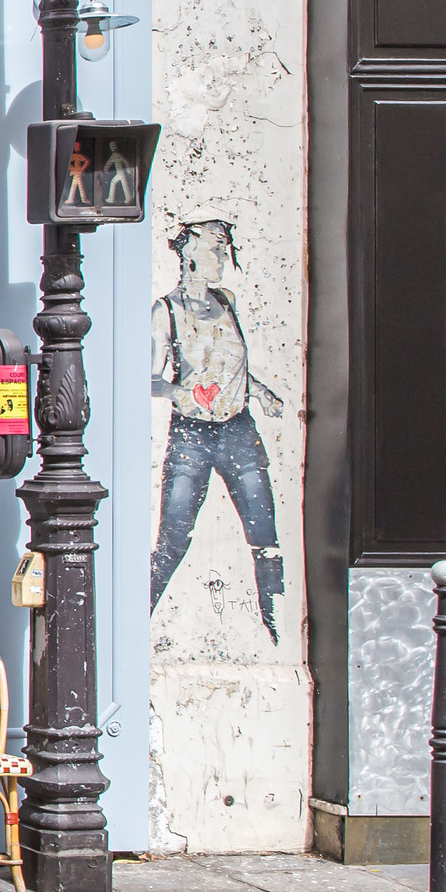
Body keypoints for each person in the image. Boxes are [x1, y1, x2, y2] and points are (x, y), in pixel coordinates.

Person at [149, 219, 284, 639]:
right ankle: (135, 620)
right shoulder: (166, 310)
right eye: (214, 248)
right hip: (192, 434)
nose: (222, 257)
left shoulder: (227, 300)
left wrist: (260, 393)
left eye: (225, 249)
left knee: (265, 536)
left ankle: (275, 625)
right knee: (174, 538)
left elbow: (235, 366)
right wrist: (181, 394)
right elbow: (149, 377)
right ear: (188, 253)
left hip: (239, 431)